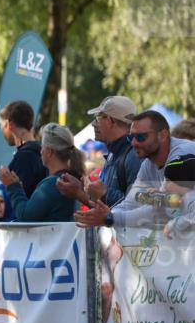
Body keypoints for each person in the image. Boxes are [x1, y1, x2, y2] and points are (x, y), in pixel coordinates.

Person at [66, 110, 195, 229]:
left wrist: (110, 218)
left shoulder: (182, 155)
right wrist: (107, 214)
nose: (133, 143)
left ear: (163, 135)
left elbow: (160, 210)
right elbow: (130, 204)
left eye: (140, 137)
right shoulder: (147, 164)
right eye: (130, 137)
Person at [0, 123, 83, 222]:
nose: (40, 151)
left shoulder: (53, 184)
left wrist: (13, 187)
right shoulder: (72, 178)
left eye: (42, 147)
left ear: (49, 152)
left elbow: (25, 216)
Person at [84, 95, 142, 208]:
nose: (93, 124)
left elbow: (139, 205)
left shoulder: (134, 156)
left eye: (97, 118)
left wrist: (105, 194)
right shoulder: (113, 154)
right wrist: (78, 191)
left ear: (110, 121)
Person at [163, 154, 195, 239]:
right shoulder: (183, 198)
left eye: (168, 181)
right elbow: (178, 213)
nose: (165, 186)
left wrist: (172, 225)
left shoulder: (191, 198)